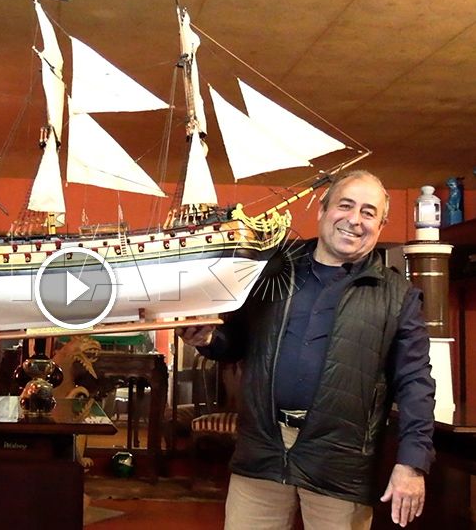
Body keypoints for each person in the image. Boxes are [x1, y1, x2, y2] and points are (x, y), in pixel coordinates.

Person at [177, 170, 435, 530]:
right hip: (261, 451)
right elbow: (234, 340)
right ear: (322, 209)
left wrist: (411, 463)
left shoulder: (398, 297)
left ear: (380, 225)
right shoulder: (270, 270)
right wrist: (206, 339)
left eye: (368, 212)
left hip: (340, 464)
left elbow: (415, 384)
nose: (354, 219)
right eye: (345, 205)